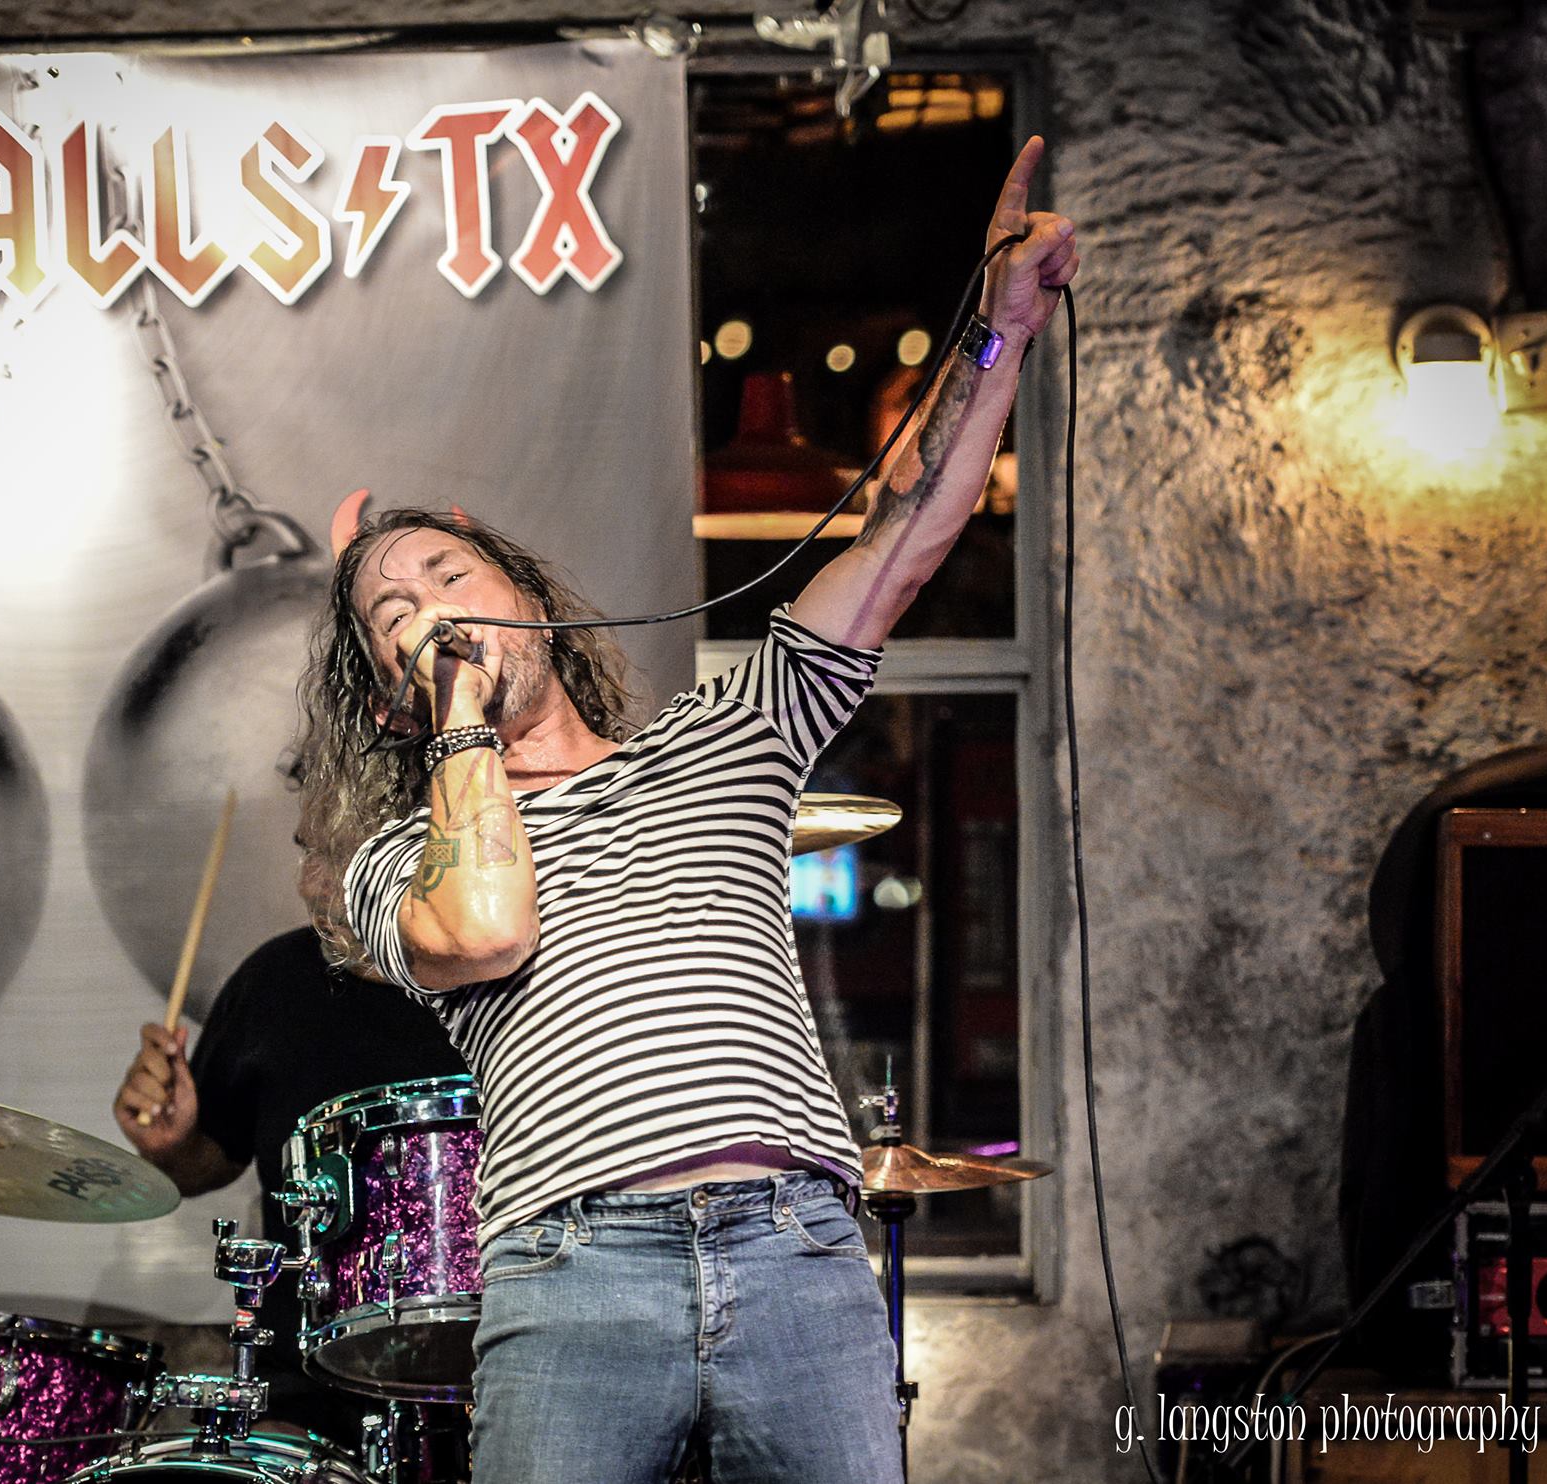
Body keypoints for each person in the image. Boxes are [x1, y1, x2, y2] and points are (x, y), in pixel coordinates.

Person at [292, 137, 1078, 1483]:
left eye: (450, 575)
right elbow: (484, 930)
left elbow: (903, 539)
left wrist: (998, 330)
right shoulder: (401, 857)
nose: (431, 610)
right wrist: (461, 710)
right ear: (389, 704)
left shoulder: (728, 734)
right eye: (394, 615)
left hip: (795, 1251)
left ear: (530, 598)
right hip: (570, 1269)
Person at [113, 921, 466, 1442]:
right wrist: (171, 1145)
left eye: (330, 864)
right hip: (309, 1379)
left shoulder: (513, 972)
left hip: (507, 1349)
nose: (311, 882)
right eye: (307, 865)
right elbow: (202, 1166)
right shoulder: (278, 976)